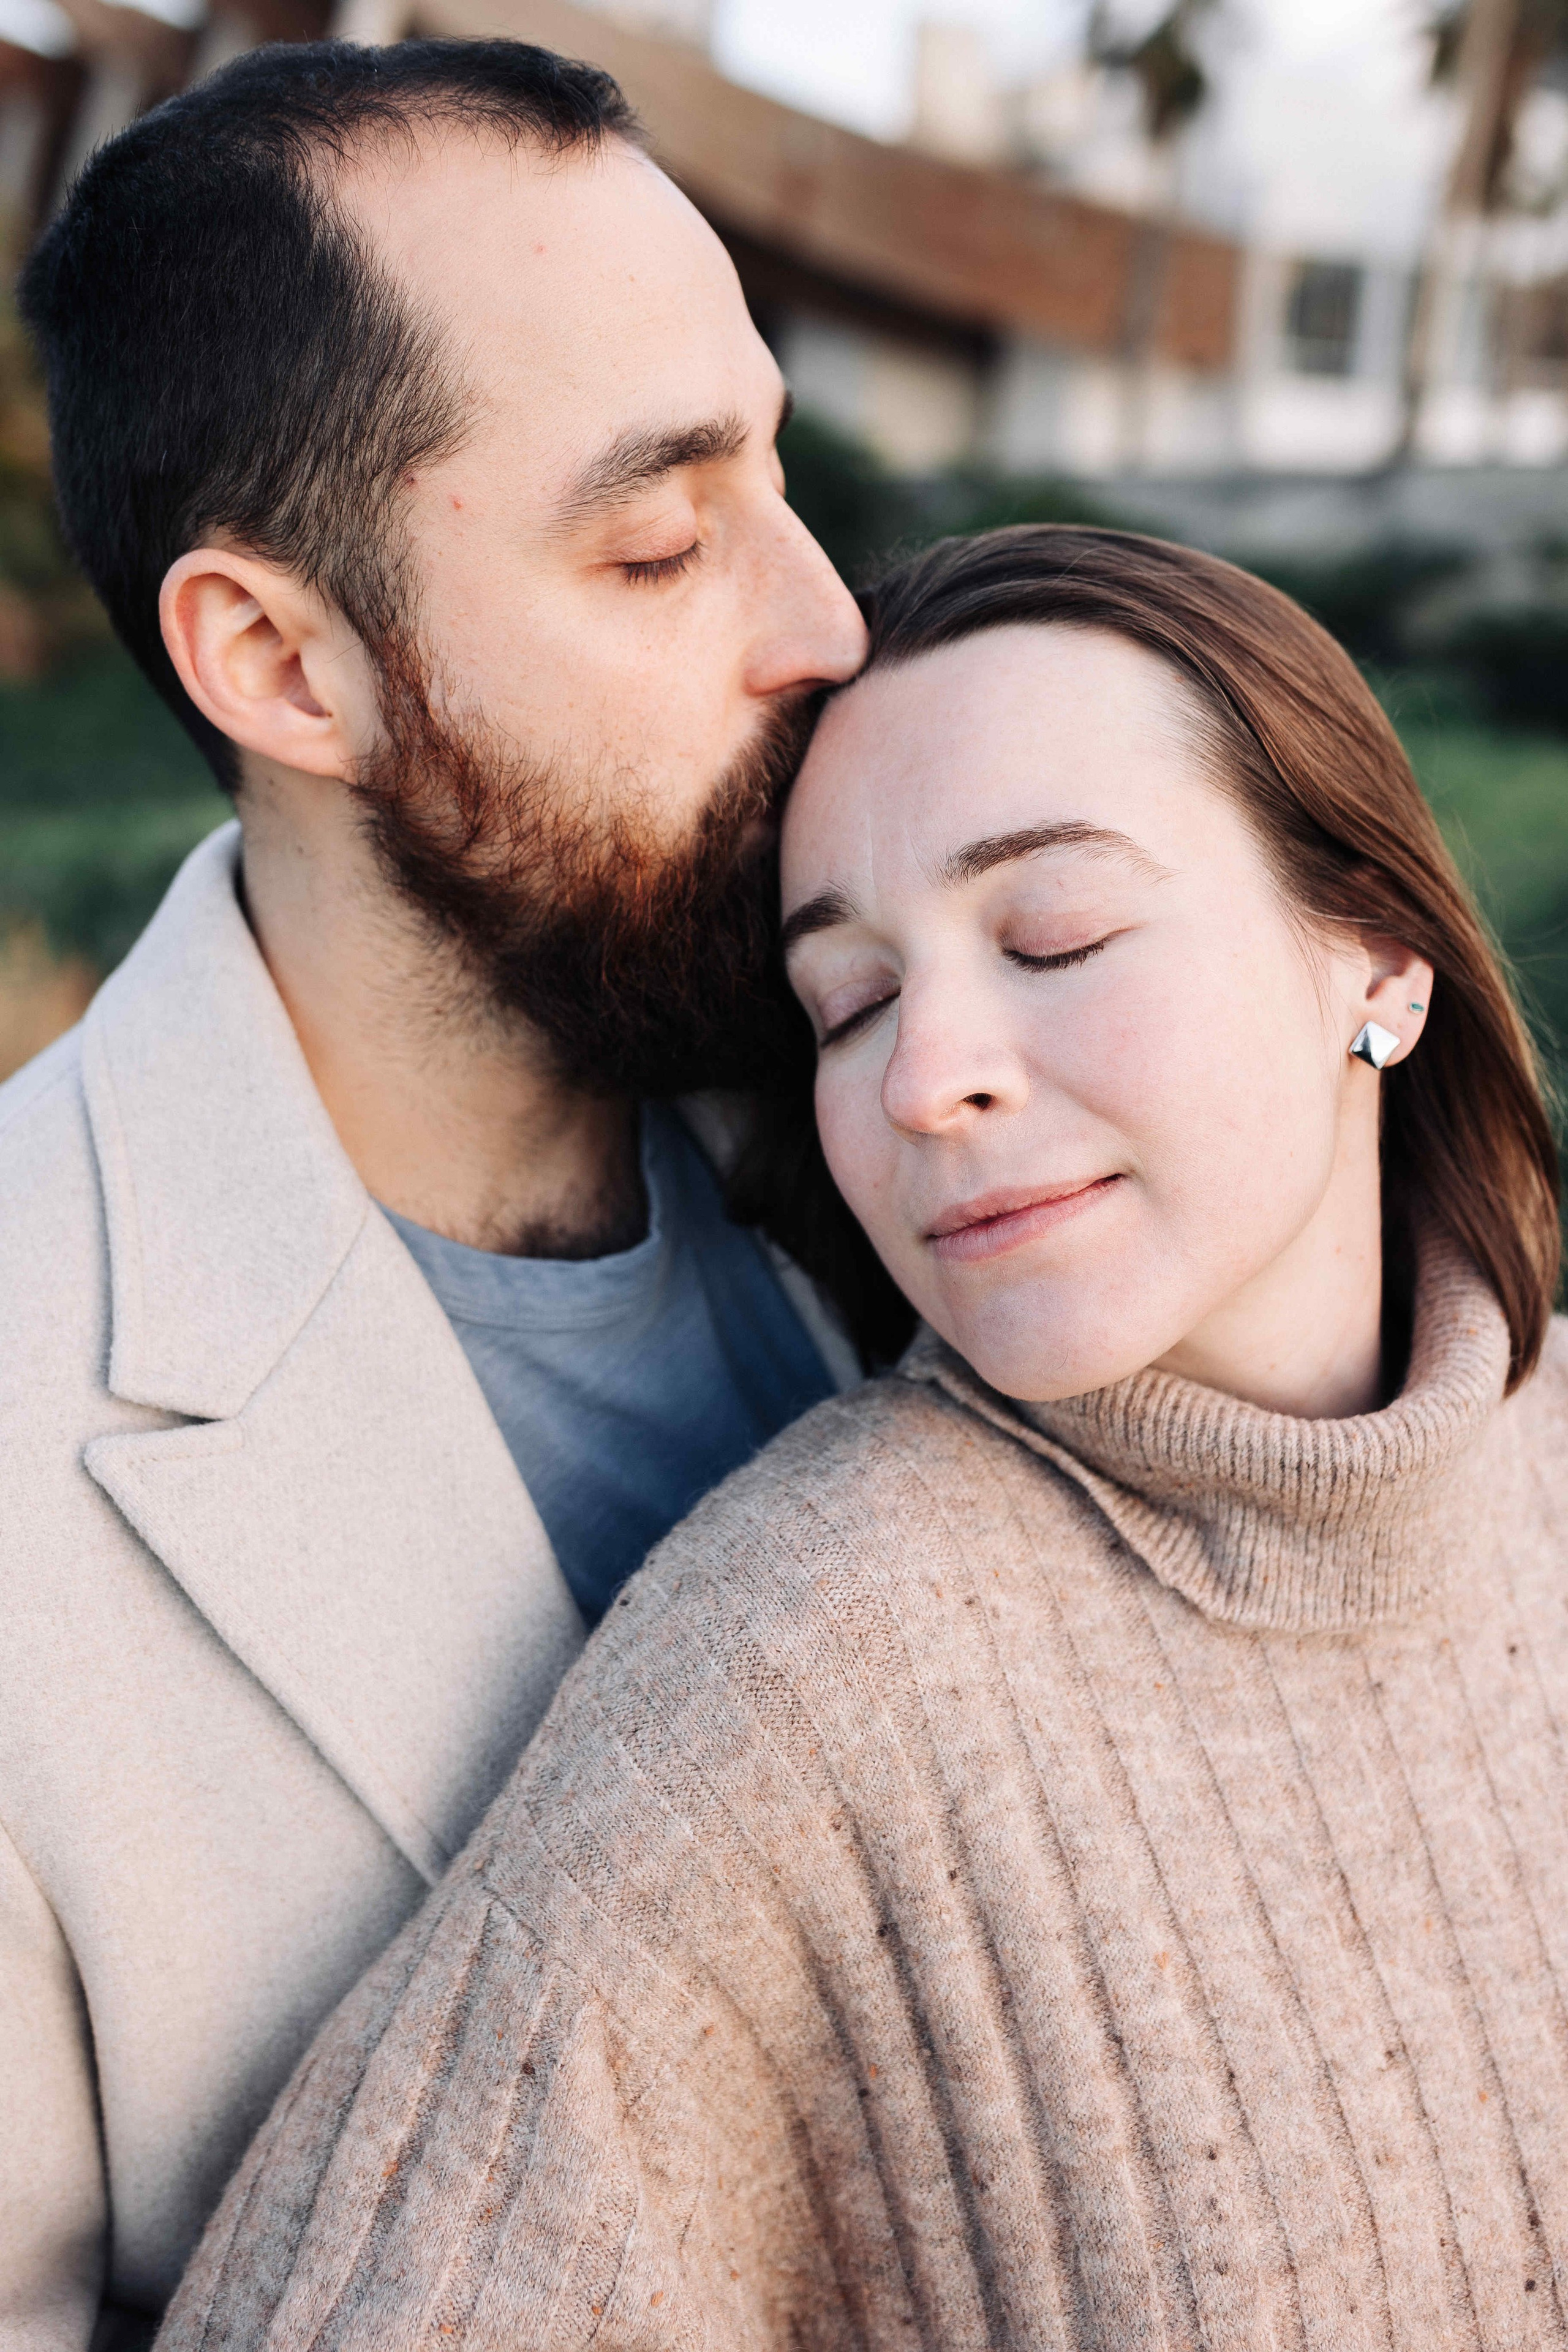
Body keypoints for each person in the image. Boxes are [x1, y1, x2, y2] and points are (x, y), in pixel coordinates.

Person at [159, 526, 1566, 2352]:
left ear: (1376, 958)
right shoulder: (818, 1649)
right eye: (852, 1002)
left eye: (1051, 932)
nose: (922, 1078)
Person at [2, 36, 869, 2349]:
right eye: (664, 540)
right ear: (279, 660)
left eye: (777, 478)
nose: (828, 627)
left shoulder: (924, 1144)